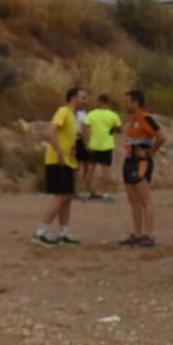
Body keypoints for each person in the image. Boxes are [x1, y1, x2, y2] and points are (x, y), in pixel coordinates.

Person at [32, 87, 88, 247]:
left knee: (67, 197)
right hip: (57, 161)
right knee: (61, 196)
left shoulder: (73, 116)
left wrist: (73, 159)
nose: (86, 101)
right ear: (73, 98)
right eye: (83, 97)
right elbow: (49, 133)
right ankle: (40, 232)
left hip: (68, 161)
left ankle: (64, 233)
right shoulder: (63, 111)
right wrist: (59, 154)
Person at [121, 90, 166, 247]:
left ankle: (148, 235)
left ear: (136, 103)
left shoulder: (145, 118)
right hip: (128, 161)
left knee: (145, 200)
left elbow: (161, 136)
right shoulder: (132, 119)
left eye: (127, 101)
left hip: (140, 163)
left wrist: (149, 152)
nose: (124, 104)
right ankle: (137, 234)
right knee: (133, 201)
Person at [84, 94, 123, 201]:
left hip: (93, 145)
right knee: (105, 170)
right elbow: (120, 129)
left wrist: (86, 143)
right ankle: (105, 194)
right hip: (106, 145)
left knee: (90, 170)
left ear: (99, 102)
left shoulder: (91, 114)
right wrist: (112, 129)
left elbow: (85, 128)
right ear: (108, 102)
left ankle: (87, 193)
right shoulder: (113, 115)